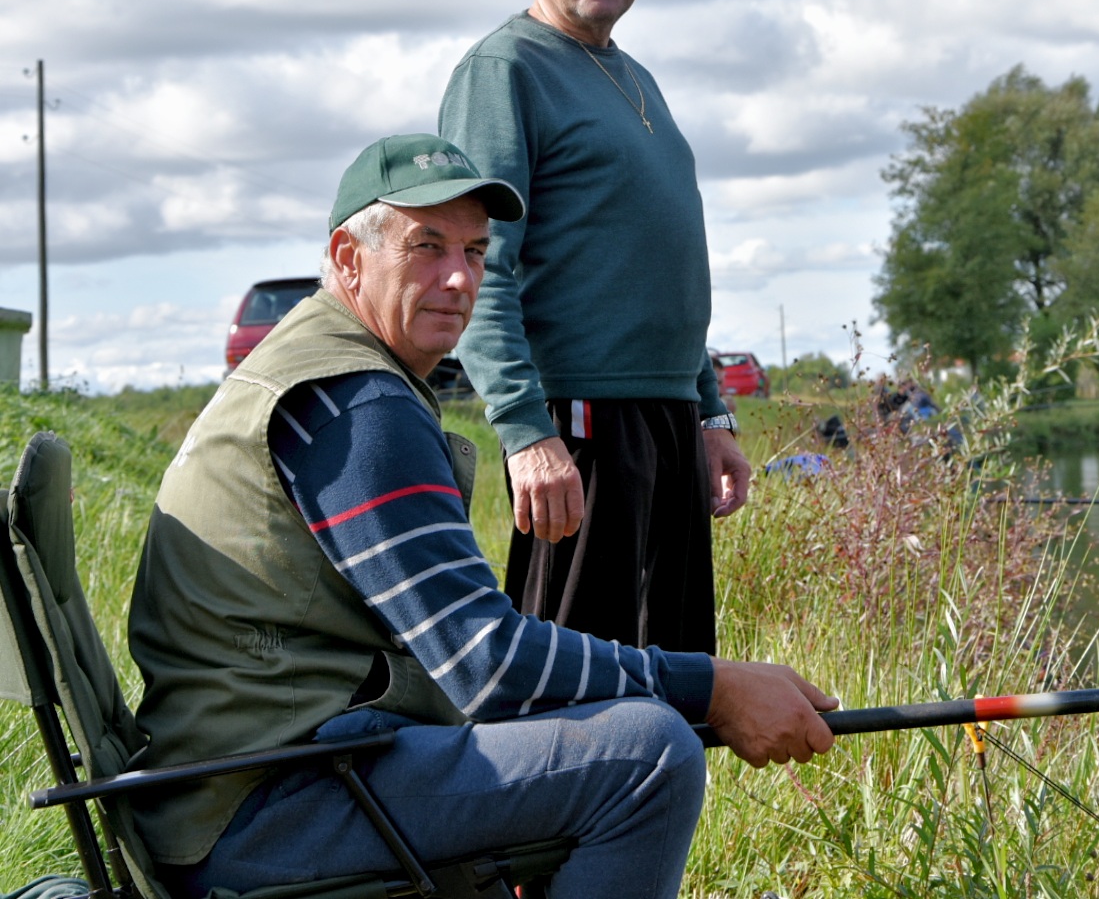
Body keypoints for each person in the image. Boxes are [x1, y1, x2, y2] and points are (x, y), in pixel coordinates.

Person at [126, 134, 836, 899]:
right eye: (426, 247)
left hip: (238, 787)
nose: (460, 277)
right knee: (651, 752)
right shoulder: (357, 405)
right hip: (265, 809)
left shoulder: (316, 367)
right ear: (348, 256)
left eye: (475, 250)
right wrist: (711, 687)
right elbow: (484, 665)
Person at [439, 0, 741, 655]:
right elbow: (476, 268)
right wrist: (525, 432)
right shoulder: (505, 71)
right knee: (573, 686)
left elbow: (658, 264)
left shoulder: (634, 75)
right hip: (578, 425)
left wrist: (708, 407)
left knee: (673, 671)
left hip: (666, 421)